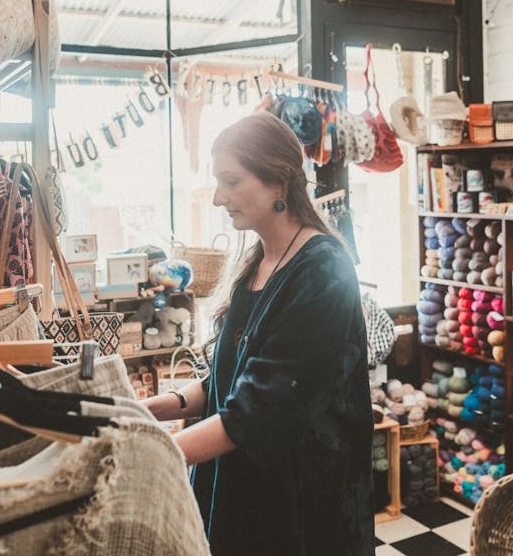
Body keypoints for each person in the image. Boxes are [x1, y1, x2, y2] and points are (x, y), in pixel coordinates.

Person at [142, 112, 374, 555]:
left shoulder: (323, 271)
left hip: (300, 509)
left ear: (278, 181)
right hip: (242, 493)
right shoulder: (257, 264)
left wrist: (152, 454)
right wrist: (151, 410)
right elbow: (229, 379)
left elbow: (260, 410)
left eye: (230, 181)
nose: (217, 198)